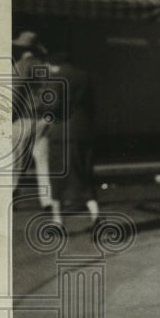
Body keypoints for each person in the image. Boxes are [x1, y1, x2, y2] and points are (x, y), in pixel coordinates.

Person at [45, 53, 100, 229]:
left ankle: (57, 221)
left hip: (63, 134)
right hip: (85, 131)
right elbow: (92, 106)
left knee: (57, 178)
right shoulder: (85, 75)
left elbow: (53, 105)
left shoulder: (57, 76)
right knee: (84, 176)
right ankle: (96, 216)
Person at [11, 30, 52, 207]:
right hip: (43, 119)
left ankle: (11, 195)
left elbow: (15, 92)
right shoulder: (45, 66)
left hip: (23, 118)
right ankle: (48, 201)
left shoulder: (21, 65)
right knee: (42, 161)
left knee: (15, 159)